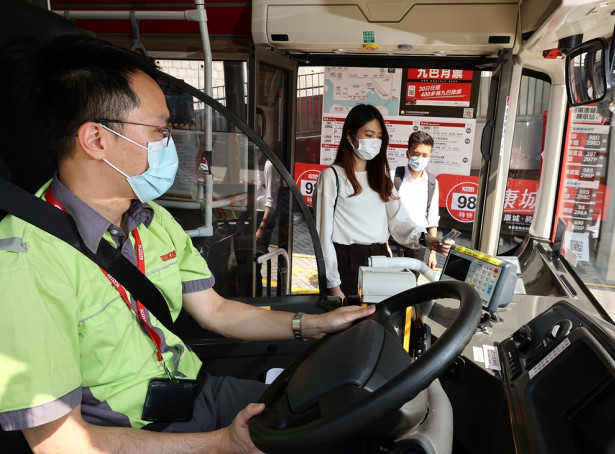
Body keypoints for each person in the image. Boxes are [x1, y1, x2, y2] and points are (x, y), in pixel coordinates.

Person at [0, 36, 375, 453]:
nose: (172, 144)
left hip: (198, 392)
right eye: (160, 130)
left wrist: (310, 325)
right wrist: (219, 444)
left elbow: (213, 310)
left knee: (347, 423)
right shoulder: (26, 262)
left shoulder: (150, 217)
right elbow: (61, 443)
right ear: (96, 140)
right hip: (143, 436)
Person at [313, 104, 453, 299]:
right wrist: (334, 285)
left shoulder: (381, 177)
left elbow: (399, 221)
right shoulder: (331, 177)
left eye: (379, 137)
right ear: (349, 136)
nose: (375, 142)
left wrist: (428, 240)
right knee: (351, 327)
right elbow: (323, 237)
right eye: (368, 135)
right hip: (346, 262)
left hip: (380, 260)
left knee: (380, 324)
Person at [388, 131, 440, 274]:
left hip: (420, 241)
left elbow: (432, 218)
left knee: (411, 282)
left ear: (429, 156)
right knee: (392, 281)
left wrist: (433, 252)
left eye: (425, 155)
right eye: (416, 154)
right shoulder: (393, 176)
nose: (420, 158)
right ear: (408, 153)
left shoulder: (432, 182)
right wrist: (384, 244)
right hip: (394, 239)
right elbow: (382, 212)